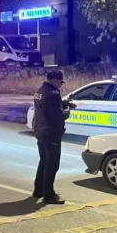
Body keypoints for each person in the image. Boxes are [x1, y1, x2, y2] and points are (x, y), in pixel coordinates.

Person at [32, 70, 73, 204]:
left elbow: (49, 107)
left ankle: (38, 190)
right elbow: (58, 114)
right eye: (60, 82)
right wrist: (68, 111)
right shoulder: (52, 94)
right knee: (52, 165)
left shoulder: (40, 91)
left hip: (40, 131)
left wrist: (65, 104)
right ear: (55, 79)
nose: (61, 85)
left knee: (43, 161)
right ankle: (49, 194)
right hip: (51, 133)